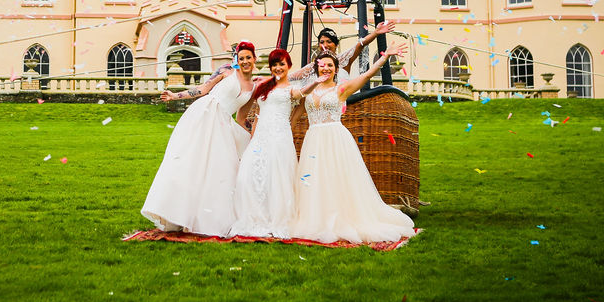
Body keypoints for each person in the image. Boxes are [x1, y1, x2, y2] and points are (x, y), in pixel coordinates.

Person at [292, 45, 417, 244]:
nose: (326, 69)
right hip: (313, 139)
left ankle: (340, 217)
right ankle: (315, 218)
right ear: (317, 68)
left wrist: (384, 58)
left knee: (337, 178)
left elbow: (366, 76)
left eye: (330, 66)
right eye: (322, 65)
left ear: (335, 68)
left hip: (335, 138)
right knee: (315, 179)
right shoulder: (309, 89)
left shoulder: (340, 89)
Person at [141, 41, 258, 237]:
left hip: (223, 125)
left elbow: (241, 117)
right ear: (236, 59)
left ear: (254, 59)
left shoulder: (253, 88)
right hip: (204, 115)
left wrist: (255, 134)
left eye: (248, 57)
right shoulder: (227, 71)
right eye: (241, 57)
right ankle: (176, 213)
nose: (245, 61)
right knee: (190, 162)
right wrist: (174, 95)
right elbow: (203, 89)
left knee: (220, 169)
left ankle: (208, 218)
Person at [229, 49, 329, 239]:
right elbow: (257, 111)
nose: (278, 68)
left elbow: (300, 93)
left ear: (288, 66)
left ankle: (276, 217)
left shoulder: (290, 88)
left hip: (279, 136)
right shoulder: (264, 87)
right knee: (250, 174)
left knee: (277, 176)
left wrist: (314, 82)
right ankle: (254, 215)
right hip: (261, 136)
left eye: (281, 64)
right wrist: (253, 136)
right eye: (274, 64)